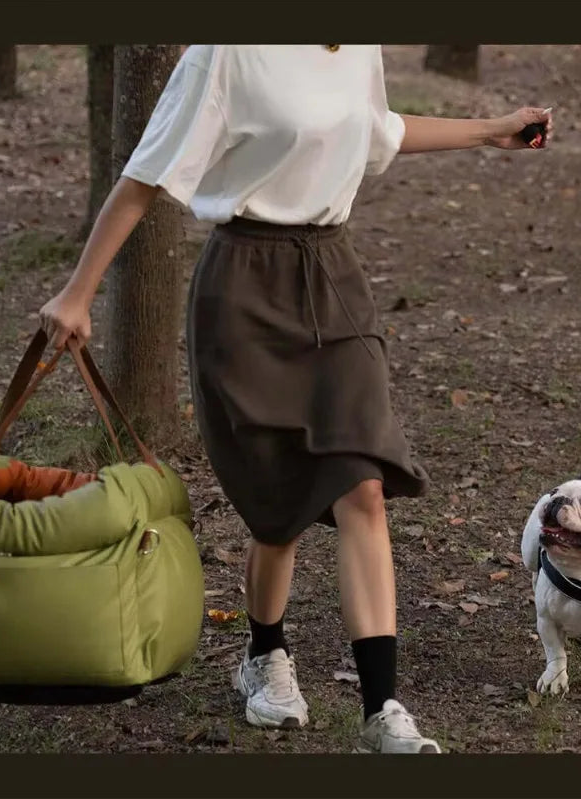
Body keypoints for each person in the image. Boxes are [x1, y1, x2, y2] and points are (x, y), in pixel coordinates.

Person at [39, 44, 553, 754]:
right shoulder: (227, 52)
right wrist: (77, 293)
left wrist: (491, 128)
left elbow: (378, 129)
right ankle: (264, 657)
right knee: (275, 501)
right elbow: (145, 175)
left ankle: (383, 709)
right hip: (244, 287)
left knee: (362, 486)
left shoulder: (357, 47)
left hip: (334, 277)